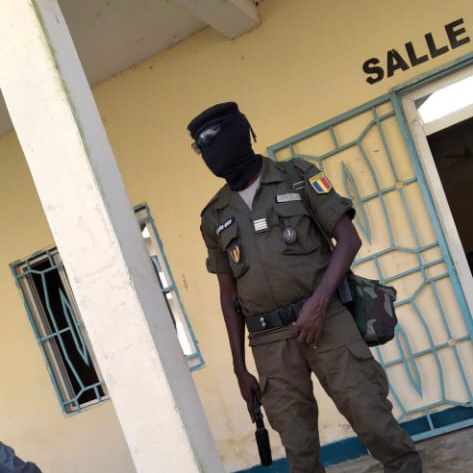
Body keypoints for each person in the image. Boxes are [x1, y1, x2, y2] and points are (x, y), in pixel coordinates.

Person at [188, 102, 422, 473]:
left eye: (215, 139)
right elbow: (228, 295)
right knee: (298, 448)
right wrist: (239, 367)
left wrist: (318, 302)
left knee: (373, 421)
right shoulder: (214, 215)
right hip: (268, 341)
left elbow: (348, 239)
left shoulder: (297, 176)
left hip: (326, 319)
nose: (210, 152)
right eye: (201, 147)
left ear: (240, 132)